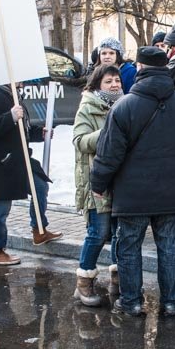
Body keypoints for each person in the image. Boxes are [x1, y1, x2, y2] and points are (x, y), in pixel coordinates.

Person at [91, 46, 175, 316]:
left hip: (133, 194)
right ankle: (173, 301)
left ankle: (131, 301)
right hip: (173, 192)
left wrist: (98, 184)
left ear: (139, 68)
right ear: (165, 68)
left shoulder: (124, 106)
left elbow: (109, 154)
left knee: (129, 246)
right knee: (170, 246)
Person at [0, 84, 63, 266]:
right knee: (1, 207)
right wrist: (10, 116)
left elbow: (20, 130)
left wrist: (38, 133)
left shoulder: (15, 96)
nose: (22, 81)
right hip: (0, 162)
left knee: (40, 185)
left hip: (20, 159)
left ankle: (39, 229)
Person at [72, 64, 125, 306]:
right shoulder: (88, 107)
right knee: (98, 233)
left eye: (117, 80)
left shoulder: (124, 105)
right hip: (96, 182)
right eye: (108, 81)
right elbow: (80, 141)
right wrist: (108, 131)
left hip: (120, 181)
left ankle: (117, 278)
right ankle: (84, 281)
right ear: (97, 85)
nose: (115, 84)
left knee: (118, 233)